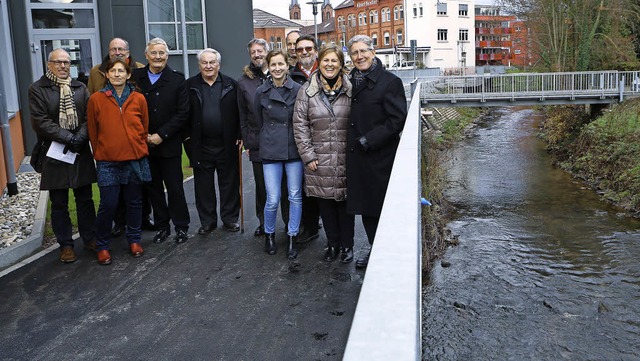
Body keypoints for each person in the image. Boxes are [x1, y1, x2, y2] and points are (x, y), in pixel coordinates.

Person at [28, 48, 97, 263]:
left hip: (80, 151)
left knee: (85, 199)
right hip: (54, 152)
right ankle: (66, 245)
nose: (63, 66)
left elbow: (89, 117)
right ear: (49, 65)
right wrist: (68, 137)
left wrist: (80, 138)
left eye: (66, 62)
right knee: (59, 202)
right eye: (58, 62)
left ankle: (90, 238)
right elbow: (40, 121)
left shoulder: (80, 88)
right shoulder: (38, 89)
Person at [346, 35, 407, 269]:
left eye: (363, 51)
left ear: (373, 53)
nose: (359, 56)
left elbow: (397, 120)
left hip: (379, 156)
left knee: (381, 206)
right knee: (366, 209)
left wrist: (368, 140)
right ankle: (375, 248)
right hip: (356, 155)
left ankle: (386, 252)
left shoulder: (389, 82)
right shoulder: (349, 80)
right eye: (354, 53)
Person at [293, 44, 354, 263]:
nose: (330, 65)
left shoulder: (351, 88)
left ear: (341, 64)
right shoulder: (307, 91)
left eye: (334, 61)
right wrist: (308, 156)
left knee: (346, 206)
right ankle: (332, 244)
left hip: (345, 158)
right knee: (326, 206)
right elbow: (300, 125)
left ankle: (348, 246)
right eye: (326, 60)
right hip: (318, 160)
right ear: (320, 62)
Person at [87, 59, 151, 265]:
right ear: (106, 75)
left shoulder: (138, 98)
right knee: (109, 204)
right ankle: (103, 245)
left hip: (134, 159)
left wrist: (138, 145)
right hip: (108, 161)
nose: (117, 74)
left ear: (128, 74)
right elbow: (93, 131)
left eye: (121, 71)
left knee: (134, 202)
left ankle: (134, 240)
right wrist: (101, 151)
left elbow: (144, 126)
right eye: (113, 71)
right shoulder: (97, 99)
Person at [131, 38, 191, 244]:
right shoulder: (135, 78)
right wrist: (144, 135)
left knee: (175, 188)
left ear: (167, 56)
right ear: (146, 55)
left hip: (169, 144)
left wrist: (161, 135)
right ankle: (162, 226)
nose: (158, 57)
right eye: (154, 53)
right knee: (153, 188)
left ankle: (181, 226)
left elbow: (183, 113)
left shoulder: (177, 79)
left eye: (162, 53)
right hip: (143, 144)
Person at [185, 48, 241, 235]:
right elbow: (184, 115)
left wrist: (240, 134)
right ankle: (207, 222)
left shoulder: (231, 85)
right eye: (204, 62)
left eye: (212, 62)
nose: (208, 66)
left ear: (218, 64)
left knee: (229, 184)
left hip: (227, 143)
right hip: (201, 144)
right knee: (203, 186)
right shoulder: (189, 86)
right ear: (199, 65)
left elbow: (239, 113)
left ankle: (230, 219)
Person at [237, 38, 289, 237]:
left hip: (283, 140)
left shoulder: (281, 74)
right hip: (258, 141)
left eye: (260, 51)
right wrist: (247, 141)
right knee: (262, 187)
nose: (257, 55)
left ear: (267, 52)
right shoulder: (244, 82)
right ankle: (263, 222)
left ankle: (288, 222)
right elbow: (242, 115)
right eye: (253, 52)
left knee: (284, 186)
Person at [254, 49, 303, 259]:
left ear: (287, 66)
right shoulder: (261, 92)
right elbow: (258, 120)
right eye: (273, 65)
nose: (277, 68)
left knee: (294, 196)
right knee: (272, 198)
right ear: (268, 66)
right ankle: (270, 234)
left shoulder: (299, 89)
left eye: (280, 64)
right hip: (271, 149)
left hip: (293, 147)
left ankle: (293, 236)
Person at [289, 34, 322, 244]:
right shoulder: (291, 75)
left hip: (327, 138)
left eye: (308, 48)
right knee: (306, 187)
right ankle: (310, 228)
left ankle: (336, 236)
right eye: (300, 49)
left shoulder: (329, 70)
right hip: (302, 139)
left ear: (316, 50)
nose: (304, 53)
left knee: (329, 187)